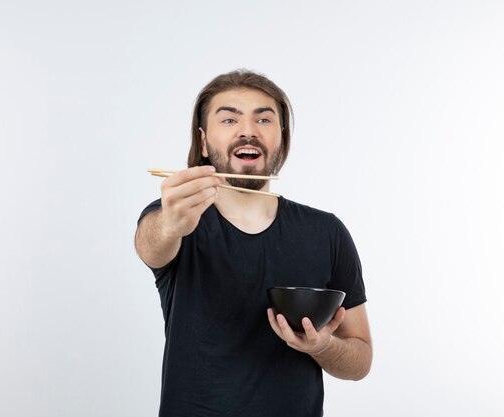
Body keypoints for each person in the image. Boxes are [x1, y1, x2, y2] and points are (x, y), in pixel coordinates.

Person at [135, 69, 372, 417]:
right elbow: (151, 246)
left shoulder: (327, 231)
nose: (247, 130)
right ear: (203, 142)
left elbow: (360, 361)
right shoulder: (176, 216)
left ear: (282, 139)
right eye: (229, 119)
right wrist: (172, 223)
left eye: (264, 118)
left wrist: (322, 347)